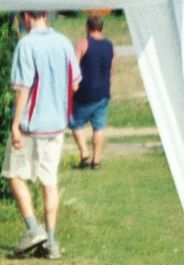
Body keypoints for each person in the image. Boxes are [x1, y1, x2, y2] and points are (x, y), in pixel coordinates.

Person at [4, 10, 81, 260]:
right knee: (49, 182)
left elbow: (22, 88)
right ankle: (51, 241)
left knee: (14, 175)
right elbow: (75, 83)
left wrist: (15, 124)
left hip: (31, 124)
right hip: (56, 125)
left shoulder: (26, 44)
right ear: (46, 13)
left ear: (26, 15)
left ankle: (33, 229)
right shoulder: (64, 42)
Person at [71, 15, 115, 171]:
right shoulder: (109, 45)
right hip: (103, 92)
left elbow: (73, 67)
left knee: (75, 122)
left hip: (84, 92)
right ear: (101, 28)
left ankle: (85, 155)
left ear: (87, 27)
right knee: (99, 127)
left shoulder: (83, 44)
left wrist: (72, 86)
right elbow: (111, 69)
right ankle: (96, 161)